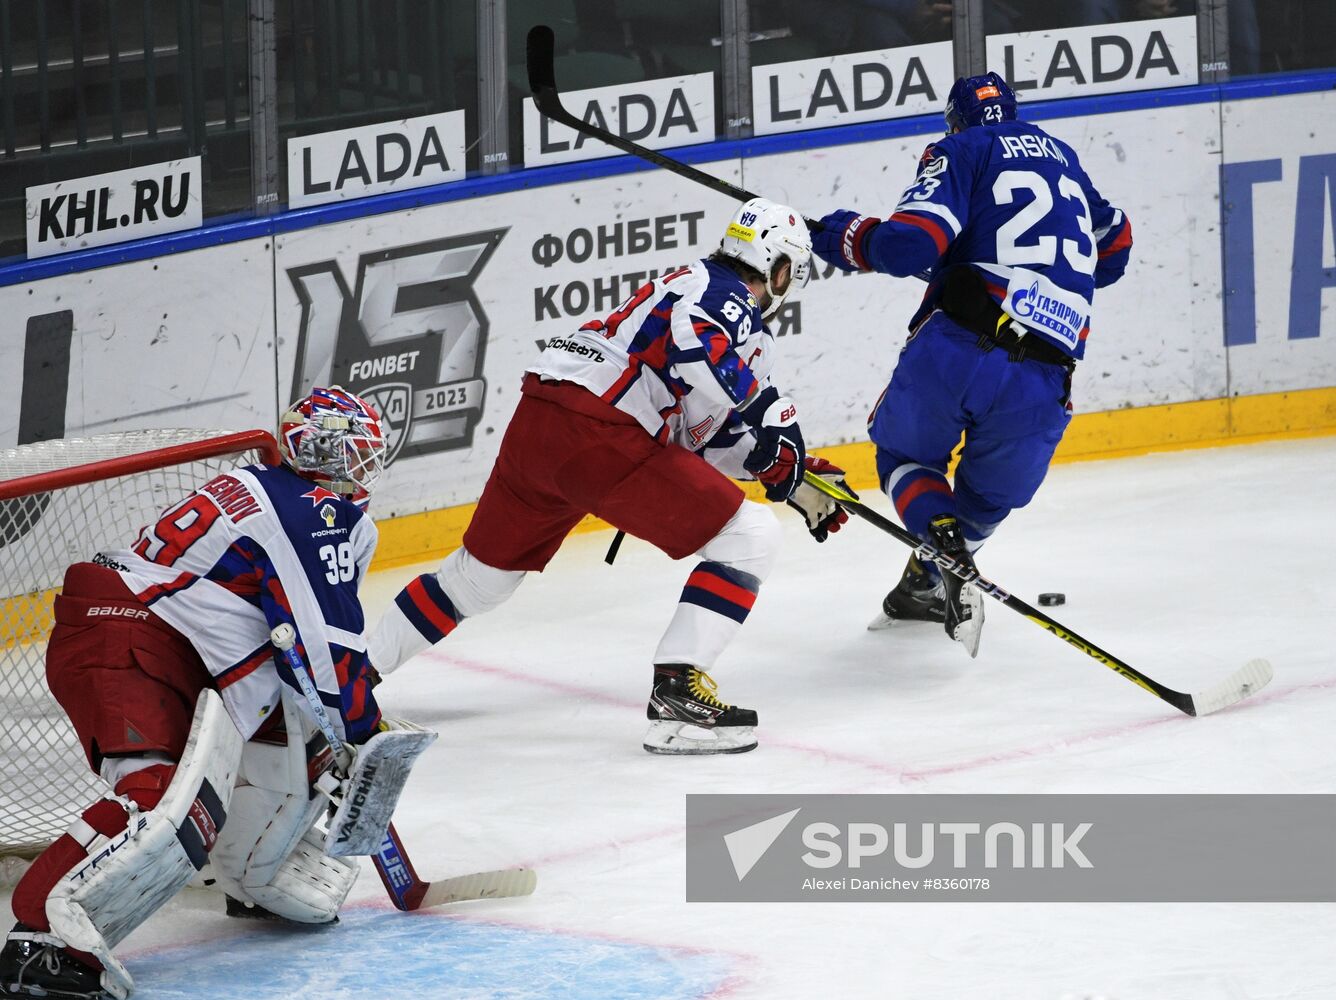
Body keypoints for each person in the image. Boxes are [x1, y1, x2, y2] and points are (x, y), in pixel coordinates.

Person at [368, 198, 850, 756]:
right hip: (600, 432)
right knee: (750, 538)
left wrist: (781, 471)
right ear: (780, 267)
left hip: (545, 418)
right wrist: (771, 411)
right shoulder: (724, 295)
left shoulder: (691, 284)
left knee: (477, 580)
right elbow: (699, 341)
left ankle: (348, 680)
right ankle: (677, 702)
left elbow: (703, 437)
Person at [1, 388, 389, 1000]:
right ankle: (39, 939)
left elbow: (295, 648)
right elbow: (326, 648)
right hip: (124, 634)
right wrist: (366, 729)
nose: (361, 469)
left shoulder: (267, 486)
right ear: (324, 452)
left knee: (292, 741)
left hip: (162, 642)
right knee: (156, 799)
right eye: (354, 453)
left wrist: (341, 728)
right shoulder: (306, 509)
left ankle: (252, 875)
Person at [811, 72, 1132, 657]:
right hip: (1044, 378)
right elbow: (1115, 250)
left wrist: (848, 238)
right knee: (987, 499)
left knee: (907, 456)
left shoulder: (959, 149)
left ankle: (943, 550)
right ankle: (931, 580)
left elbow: (912, 244)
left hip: (959, 347)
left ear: (955, 122)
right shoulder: (1064, 160)